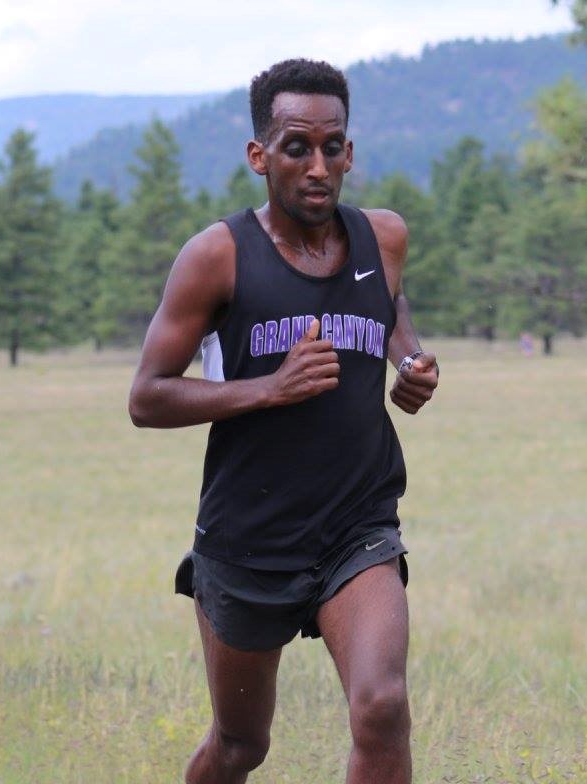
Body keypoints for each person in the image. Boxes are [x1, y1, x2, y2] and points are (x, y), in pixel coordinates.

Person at [128, 58, 439, 784]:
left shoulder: (383, 238)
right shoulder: (217, 256)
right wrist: (267, 389)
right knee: (241, 746)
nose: (318, 165)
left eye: (334, 147)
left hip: (356, 527)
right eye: (297, 146)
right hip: (248, 539)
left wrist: (411, 363)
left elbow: (390, 308)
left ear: (350, 153)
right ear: (259, 155)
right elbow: (146, 396)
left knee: (382, 707)